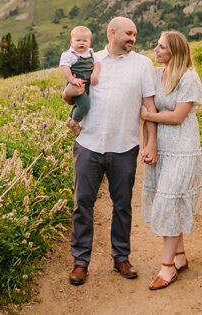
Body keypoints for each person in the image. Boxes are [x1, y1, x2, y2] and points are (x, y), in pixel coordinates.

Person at [62, 16, 158, 286]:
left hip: (124, 146)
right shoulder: (89, 59)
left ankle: (121, 257)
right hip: (88, 144)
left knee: (122, 205)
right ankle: (80, 262)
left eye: (135, 34)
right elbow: (68, 96)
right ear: (112, 32)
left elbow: (149, 107)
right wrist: (69, 91)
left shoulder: (143, 65)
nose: (133, 38)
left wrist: (151, 143)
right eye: (128, 33)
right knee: (83, 206)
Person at [139, 30, 202, 291]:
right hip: (165, 149)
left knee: (169, 201)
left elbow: (179, 116)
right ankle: (179, 255)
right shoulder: (159, 75)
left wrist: (149, 116)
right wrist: (149, 139)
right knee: (170, 198)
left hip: (183, 147)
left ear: (175, 52)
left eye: (161, 48)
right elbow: (152, 109)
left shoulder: (189, 77)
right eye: (156, 45)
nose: (156, 51)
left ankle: (167, 267)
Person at [59, 25, 102, 136]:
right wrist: (72, 80)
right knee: (85, 105)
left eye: (85, 41)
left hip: (87, 84)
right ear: (71, 42)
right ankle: (75, 122)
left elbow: (97, 64)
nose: (81, 43)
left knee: (80, 103)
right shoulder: (69, 55)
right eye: (78, 40)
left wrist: (94, 74)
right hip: (76, 84)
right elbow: (65, 68)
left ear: (90, 43)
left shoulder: (91, 53)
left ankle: (70, 119)